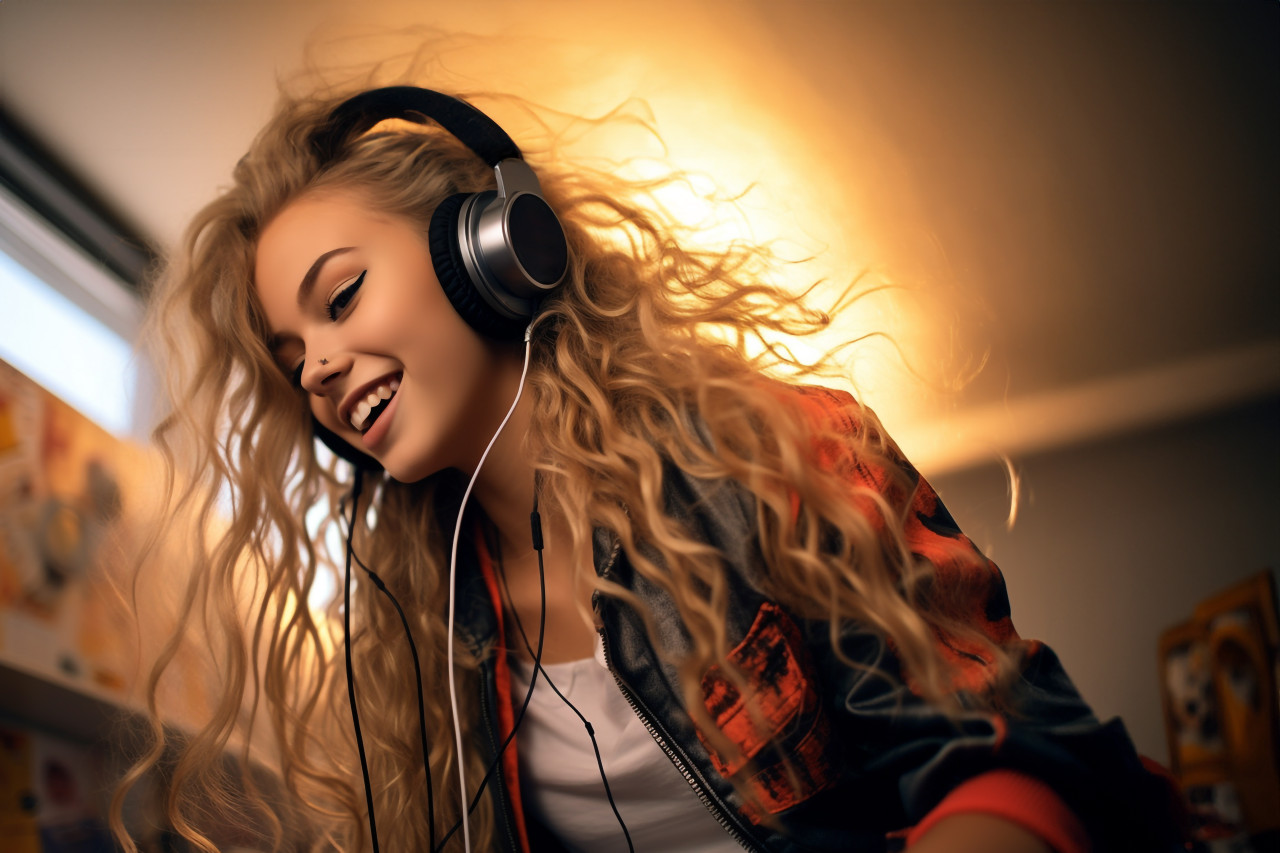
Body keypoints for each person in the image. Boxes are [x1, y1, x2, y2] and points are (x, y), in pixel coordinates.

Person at [117, 83, 1183, 853]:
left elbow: (1011, 751)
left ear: (495, 251)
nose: (319, 371)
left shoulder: (780, 454)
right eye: (292, 358)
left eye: (340, 298)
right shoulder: (422, 628)